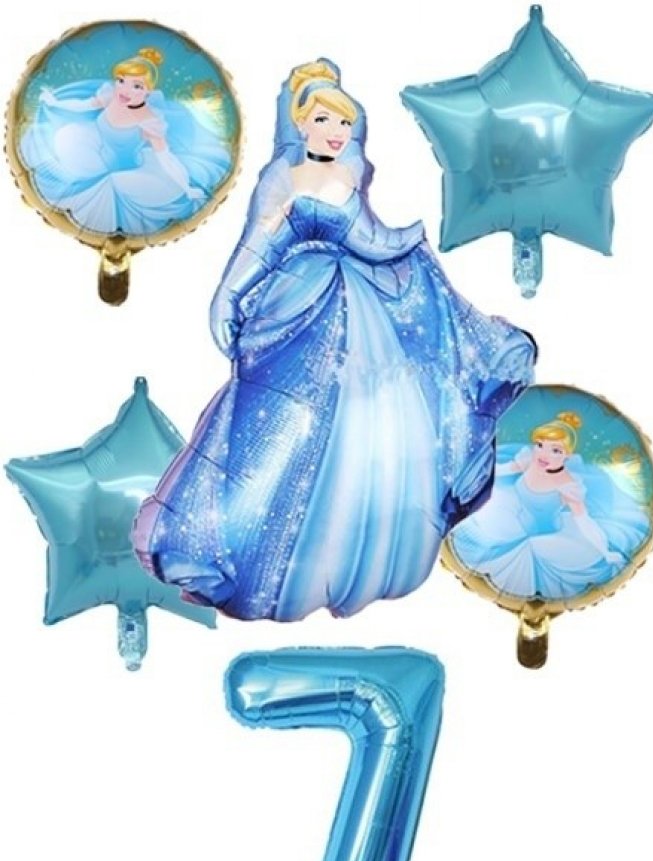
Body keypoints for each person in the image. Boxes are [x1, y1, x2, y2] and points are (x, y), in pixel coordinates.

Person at [133, 59, 537, 621]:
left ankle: (333, 552)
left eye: (344, 123)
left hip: (352, 309)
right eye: (324, 120)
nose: (336, 132)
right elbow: (259, 245)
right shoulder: (283, 178)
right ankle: (229, 546)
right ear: (301, 123)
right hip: (297, 309)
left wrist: (406, 241)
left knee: (362, 426)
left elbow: (369, 239)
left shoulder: (347, 174)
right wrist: (227, 294)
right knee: (275, 431)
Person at [20, 47, 231, 236]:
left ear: (148, 91)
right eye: (121, 81)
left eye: (137, 86)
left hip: (127, 167)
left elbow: (166, 159)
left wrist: (186, 187)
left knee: (112, 186)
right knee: (67, 136)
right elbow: (83, 105)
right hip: (95, 153)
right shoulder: (110, 97)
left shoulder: (149, 121)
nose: (125, 90)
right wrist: (55, 102)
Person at [449, 411, 651, 600]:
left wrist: (605, 551)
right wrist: (469, 474)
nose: (544, 454)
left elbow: (584, 522)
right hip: (515, 518)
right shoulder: (529, 461)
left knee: (527, 553)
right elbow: (499, 470)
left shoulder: (568, 486)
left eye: (555, 450)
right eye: (540, 445)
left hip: (545, 532)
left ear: (567, 455)